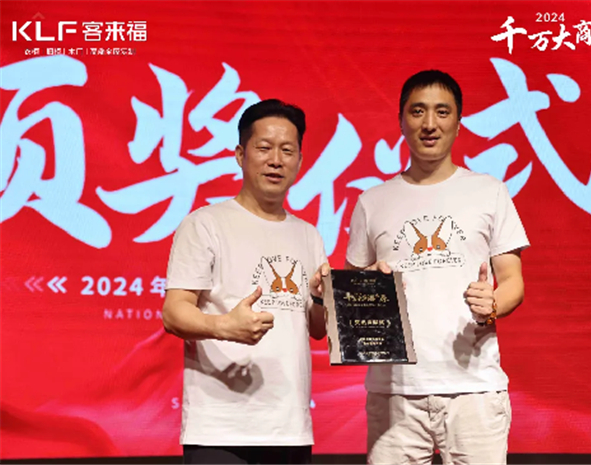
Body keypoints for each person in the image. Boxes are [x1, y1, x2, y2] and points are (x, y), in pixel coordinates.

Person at [345, 70, 530, 464]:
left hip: (474, 389)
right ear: (401, 121)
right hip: (394, 392)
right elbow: (353, 296)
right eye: (418, 112)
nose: (429, 123)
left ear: (458, 123)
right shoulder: (371, 201)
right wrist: (364, 290)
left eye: (442, 112)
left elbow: (513, 280)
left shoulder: (489, 191)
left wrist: (492, 304)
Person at [162, 99, 329, 465]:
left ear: (300, 161)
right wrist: (225, 326)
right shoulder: (204, 224)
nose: (276, 160)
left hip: (290, 428)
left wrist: (319, 298)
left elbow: (317, 329)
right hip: (220, 429)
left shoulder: (308, 234)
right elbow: (173, 313)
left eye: (287, 151)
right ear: (240, 155)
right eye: (264, 148)